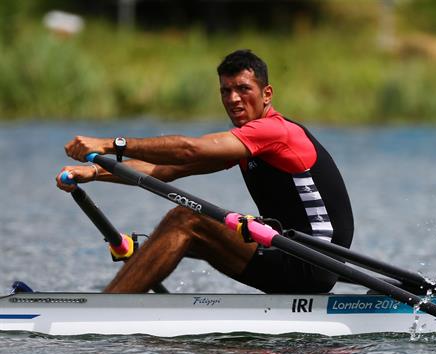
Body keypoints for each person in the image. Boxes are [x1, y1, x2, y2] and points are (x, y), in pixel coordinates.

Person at [56, 49, 354, 294]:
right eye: (226, 90)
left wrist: (111, 144)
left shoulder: (274, 132)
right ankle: (121, 299)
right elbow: (163, 170)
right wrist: (93, 172)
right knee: (178, 231)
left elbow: (190, 149)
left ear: (267, 94)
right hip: (291, 255)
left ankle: (107, 308)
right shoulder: (248, 141)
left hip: (312, 262)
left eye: (243, 89)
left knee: (187, 217)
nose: (234, 98)